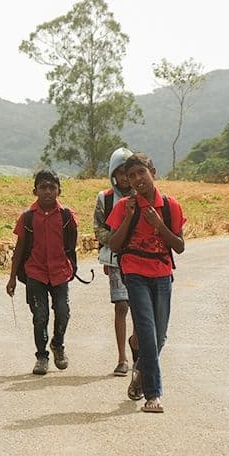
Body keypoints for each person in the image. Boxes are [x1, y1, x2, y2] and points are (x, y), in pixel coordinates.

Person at [106, 153, 185, 413]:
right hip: (135, 273)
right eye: (131, 176)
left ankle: (141, 372)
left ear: (153, 171)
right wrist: (129, 217)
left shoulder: (170, 205)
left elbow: (179, 246)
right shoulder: (124, 207)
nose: (137, 179)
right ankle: (154, 395)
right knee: (148, 333)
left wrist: (159, 224)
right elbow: (114, 245)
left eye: (141, 172)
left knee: (160, 335)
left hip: (162, 273)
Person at [6, 169, 78, 375]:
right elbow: (19, 249)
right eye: (43, 187)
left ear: (59, 191)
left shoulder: (66, 216)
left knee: (63, 312)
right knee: (40, 315)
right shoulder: (27, 218)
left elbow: (71, 244)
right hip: (35, 273)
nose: (47, 191)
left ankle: (58, 345)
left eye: (52, 187)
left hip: (60, 272)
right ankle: (41, 356)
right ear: (35, 191)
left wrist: (72, 267)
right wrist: (12, 277)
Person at [95, 147, 135, 377]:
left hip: (140, 258)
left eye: (127, 172)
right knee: (121, 306)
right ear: (113, 173)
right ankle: (122, 357)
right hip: (115, 260)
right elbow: (97, 227)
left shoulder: (142, 195)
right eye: (119, 172)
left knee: (139, 307)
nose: (123, 177)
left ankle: (137, 345)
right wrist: (114, 241)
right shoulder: (105, 199)